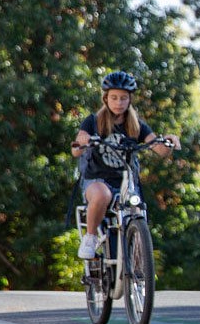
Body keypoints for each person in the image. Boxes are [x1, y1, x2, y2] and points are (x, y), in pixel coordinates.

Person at [70, 70, 177, 260]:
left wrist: (169, 141)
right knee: (103, 194)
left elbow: (159, 149)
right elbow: (76, 149)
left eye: (123, 98)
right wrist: (84, 141)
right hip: (97, 179)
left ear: (130, 100)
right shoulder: (93, 122)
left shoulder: (137, 126)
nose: (119, 103)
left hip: (126, 182)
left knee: (137, 209)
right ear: (106, 99)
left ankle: (137, 258)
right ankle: (91, 237)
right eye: (114, 98)